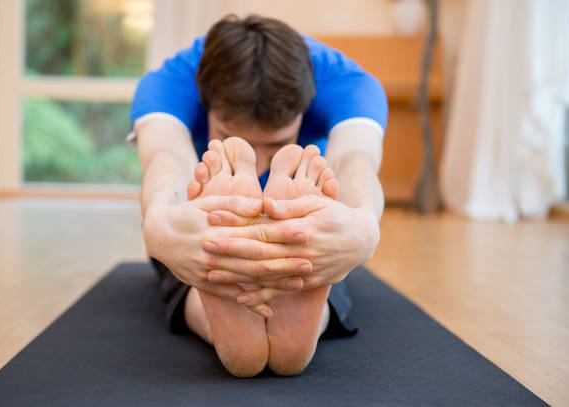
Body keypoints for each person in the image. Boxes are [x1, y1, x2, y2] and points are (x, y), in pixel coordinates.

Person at [129, 14, 387, 377]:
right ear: (207, 104)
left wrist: (362, 222)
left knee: (326, 251)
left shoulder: (348, 82)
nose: (260, 161)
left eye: (278, 144)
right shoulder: (169, 83)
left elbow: (353, 159)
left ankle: (255, 299)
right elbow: (167, 156)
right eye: (230, 134)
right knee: (192, 248)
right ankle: (240, 309)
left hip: (300, 218)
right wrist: (160, 221)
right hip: (212, 219)